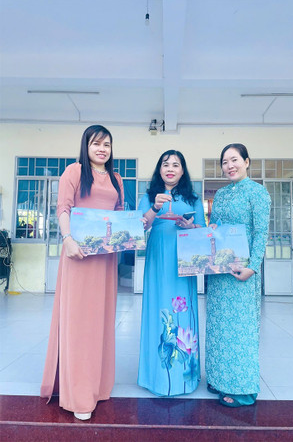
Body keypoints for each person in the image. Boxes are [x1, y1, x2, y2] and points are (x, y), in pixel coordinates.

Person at [41, 125, 125, 420]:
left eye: (107, 144)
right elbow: (63, 208)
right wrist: (67, 240)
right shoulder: (74, 172)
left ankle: (98, 387)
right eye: (96, 143)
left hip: (105, 260)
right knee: (79, 322)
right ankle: (78, 395)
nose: (102, 149)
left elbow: (119, 215)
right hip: (78, 255)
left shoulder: (116, 178)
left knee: (100, 321)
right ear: (86, 146)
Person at [205, 143, 270, 407]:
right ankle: (219, 379)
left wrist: (253, 267)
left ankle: (241, 388)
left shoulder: (258, 192)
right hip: (220, 271)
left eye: (234, 160)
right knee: (218, 327)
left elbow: (261, 232)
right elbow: (217, 229)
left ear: (246, 161)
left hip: (243, 272)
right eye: (224, 162)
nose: (229, 166)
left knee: (240, 330)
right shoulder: (220, 194)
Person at [137, 150, 205, 397]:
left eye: (176, 165)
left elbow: (203, 229)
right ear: (159, 169)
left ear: (183, 170)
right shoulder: (149, 196)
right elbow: (140, 225)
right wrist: (155, 208)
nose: (171, 168)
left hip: (184, 255)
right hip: (158, 254)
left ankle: (184, 377)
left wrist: (191, 226)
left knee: (182, 308)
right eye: (166, 164)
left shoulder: (193, 197)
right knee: (158, 306)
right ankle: (155, 375)